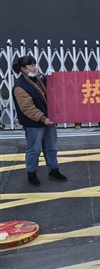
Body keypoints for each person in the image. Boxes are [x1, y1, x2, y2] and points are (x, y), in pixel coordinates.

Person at [12, 56, 67, 186]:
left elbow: (53, 89)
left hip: (49, 119)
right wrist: (43, 118)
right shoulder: (20, 87)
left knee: (51, 147)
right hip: (34, 123)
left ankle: (53, 170)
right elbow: (27, 108)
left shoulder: (39, 78)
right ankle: (31, 172)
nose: (34, 68)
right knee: (34, 149)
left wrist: (52, 78)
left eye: (35, 65)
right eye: (31, 66)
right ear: (23, 69)